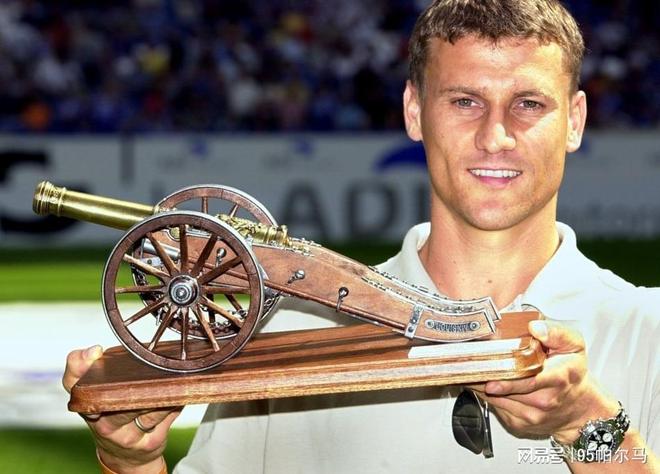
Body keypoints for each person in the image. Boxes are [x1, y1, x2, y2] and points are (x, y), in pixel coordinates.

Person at [63, 0, 659, 472]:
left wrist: (584, 422)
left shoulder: (647, 330)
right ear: (414, 111)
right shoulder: (292, 331)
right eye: (465, 101)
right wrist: (131, 461)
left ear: (575, 120)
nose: (495, 136)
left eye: (528, 103)